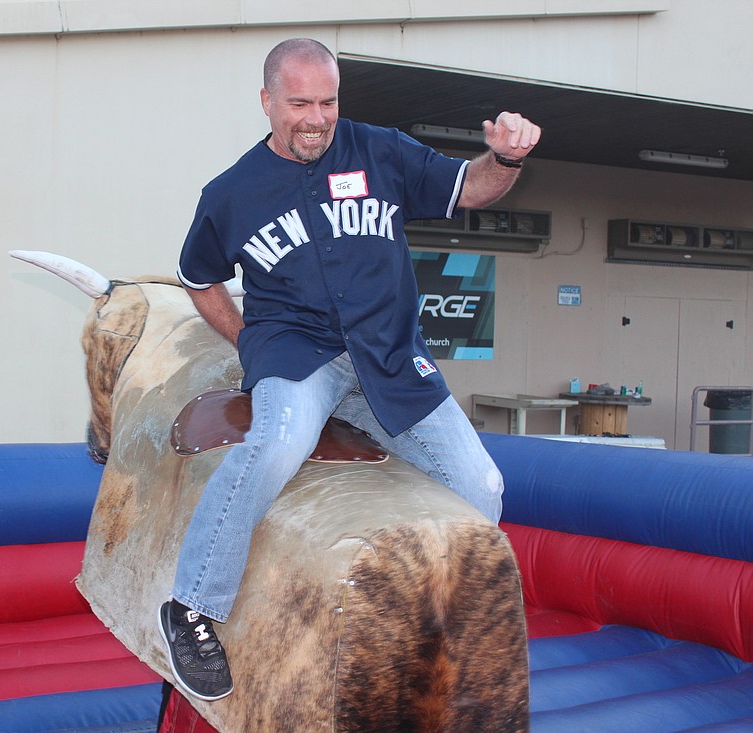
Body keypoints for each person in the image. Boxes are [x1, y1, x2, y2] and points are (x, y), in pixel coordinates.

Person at [158, 38, 541, 701]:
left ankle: (431, 623)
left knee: (481, 486)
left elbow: (473, 186)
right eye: (299, 102)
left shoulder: (380, 151)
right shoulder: (231, 193)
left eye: (328, 101)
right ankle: (191, 606)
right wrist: (248, 340)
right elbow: (198, 277)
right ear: (267, 101)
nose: (315, 117)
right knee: (277, 442)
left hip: (389, 355)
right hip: (296, 352)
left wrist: (505, 155)